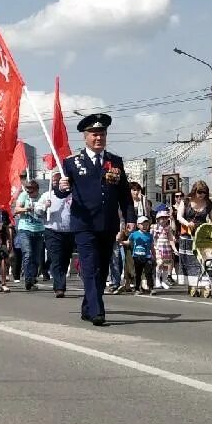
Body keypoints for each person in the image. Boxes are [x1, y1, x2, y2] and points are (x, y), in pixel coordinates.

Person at [60, 112, 137, 326]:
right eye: (94, 134)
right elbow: (60, 192)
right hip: (83, 224)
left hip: (108, 223)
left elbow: (124, 194)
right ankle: (97, 310)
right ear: (85, 136)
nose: (98, 138)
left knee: (102, 268)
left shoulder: (115, 161)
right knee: (90, 265)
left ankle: (87, 306)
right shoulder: (72, 163)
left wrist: (130, 217)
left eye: (102, 134)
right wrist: (61, 188)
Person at [37, 173, 74, 298]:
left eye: (58, 180)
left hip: (69, 232)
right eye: (54, 180)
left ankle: (59, 281)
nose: (55, 183)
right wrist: (44, 206)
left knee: (65, 259)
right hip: (52, 231)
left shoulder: (72, 195)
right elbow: (37, 212)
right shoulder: (47, 195)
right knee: (56, 258)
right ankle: (59, 287)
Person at [13, 177, 46, 292]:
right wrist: (26, 209)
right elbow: (16, 209)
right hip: (25, 229)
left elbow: (45, 212)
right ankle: (28, 279)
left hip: (38, 229)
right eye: (28, 189)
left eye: (31, 190)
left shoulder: (42, 197)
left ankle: (32, 278)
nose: (29, 192)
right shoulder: (24, 196)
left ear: (36, 190)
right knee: (28, 253)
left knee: (36, 257)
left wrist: (46, 206)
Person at [126, 216, 156, 294]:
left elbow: (152, 247)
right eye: (143, 224)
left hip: (147, 257)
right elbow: (128, 242)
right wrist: (121, 242)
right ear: (138, 225)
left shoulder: (149, 235)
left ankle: (151, 288)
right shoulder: (134, 234)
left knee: (148, 272)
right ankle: (137, 289)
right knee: (138, 273)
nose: (145, 226)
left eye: (146, 224)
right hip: (137, 256)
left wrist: (154, 257)